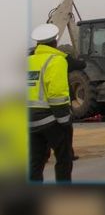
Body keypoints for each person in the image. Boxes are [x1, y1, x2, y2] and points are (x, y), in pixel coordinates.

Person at [28, 23, 73, 182]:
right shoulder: (57, 60)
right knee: (64, 159)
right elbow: (57, 94)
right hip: (51, 120)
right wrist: (65, 121)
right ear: (55, 41)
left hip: (30, 121)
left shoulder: (29, 61)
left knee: (36, 161)